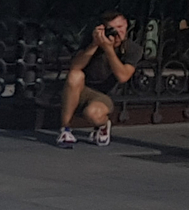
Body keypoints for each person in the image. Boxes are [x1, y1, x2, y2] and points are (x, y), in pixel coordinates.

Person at [56, 13, 133, 147]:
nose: (116, 32)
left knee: (92, 114)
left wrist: (109, 50)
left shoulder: (132, 48)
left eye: (120, 27)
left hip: (104, 96)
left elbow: (123, 76)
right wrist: (94, 45)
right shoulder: (91, 40)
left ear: (126, 25)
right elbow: (75, 67)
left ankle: (103, 125)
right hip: (81, 89)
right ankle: (65, 129)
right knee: (75, 75)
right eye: (111, 28)